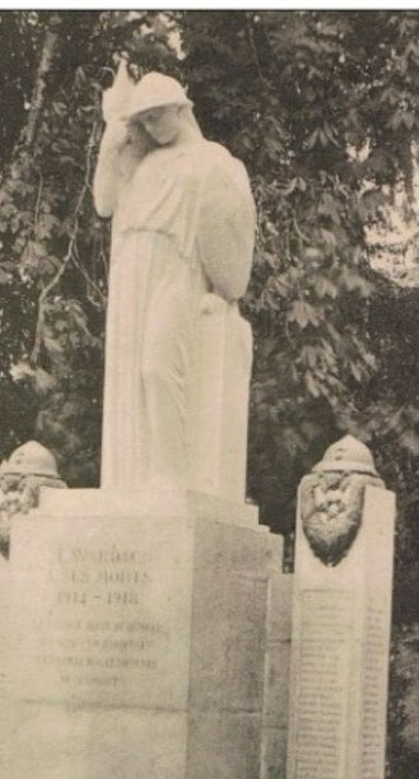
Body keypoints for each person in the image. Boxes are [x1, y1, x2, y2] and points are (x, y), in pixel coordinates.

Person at [93, 68, 256, 491]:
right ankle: (136, 476)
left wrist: (222, 292)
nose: (150, 126)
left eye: (156, 116)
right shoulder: (142, 163)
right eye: (143, 120)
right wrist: (110, 146)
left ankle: (170, 471)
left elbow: (231, 234)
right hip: (133, 270)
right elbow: (105, 204)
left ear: (180, 109)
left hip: (178, 269)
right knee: (131, 375)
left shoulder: (214, 160)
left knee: (157, 367)